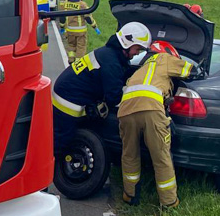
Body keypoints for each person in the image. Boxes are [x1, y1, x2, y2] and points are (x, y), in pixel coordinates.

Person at [52, 22, 152, 155]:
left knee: (73, 134)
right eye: (137, 49)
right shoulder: (111, 62)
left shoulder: (111, 54)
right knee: (62, 142)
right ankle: (50, 169)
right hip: (68, 100)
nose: (136, 53)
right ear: (127, 44)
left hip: (67, 91)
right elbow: (114, 97)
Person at [118, 40, 195, 209]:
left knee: (129, 154)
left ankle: (130, 195)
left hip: (125, 111)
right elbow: (189, 70)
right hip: (151, 109)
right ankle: (169, 202)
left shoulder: (140, 68)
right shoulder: (165, 59)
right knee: (161, 157)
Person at [62, 0, 100, 64]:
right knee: (81, 47)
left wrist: (62, 27)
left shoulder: (66, 4)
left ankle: (71, 60)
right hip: (80, 31)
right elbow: (88, 18)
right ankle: (78, 62)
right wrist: (95, 27)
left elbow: (63, 17)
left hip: (69, 31)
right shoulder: (82, 5)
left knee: (71, 46)